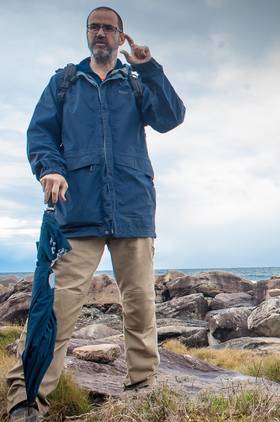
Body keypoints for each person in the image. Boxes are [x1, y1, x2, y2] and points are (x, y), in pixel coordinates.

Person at [6, 6, 185, 420]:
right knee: (54, 309)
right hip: (76, 215)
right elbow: (40, 135)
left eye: (109, 28)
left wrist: (151, 68)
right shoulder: (65, 83)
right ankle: (26, 398)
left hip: (133, 211)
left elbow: (171, 118)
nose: (101, 33)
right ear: (87, 34)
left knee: (141, 307)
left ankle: (142, 390)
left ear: (121, 37)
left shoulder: (136, 85)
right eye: (95, 27)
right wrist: (50, 167)